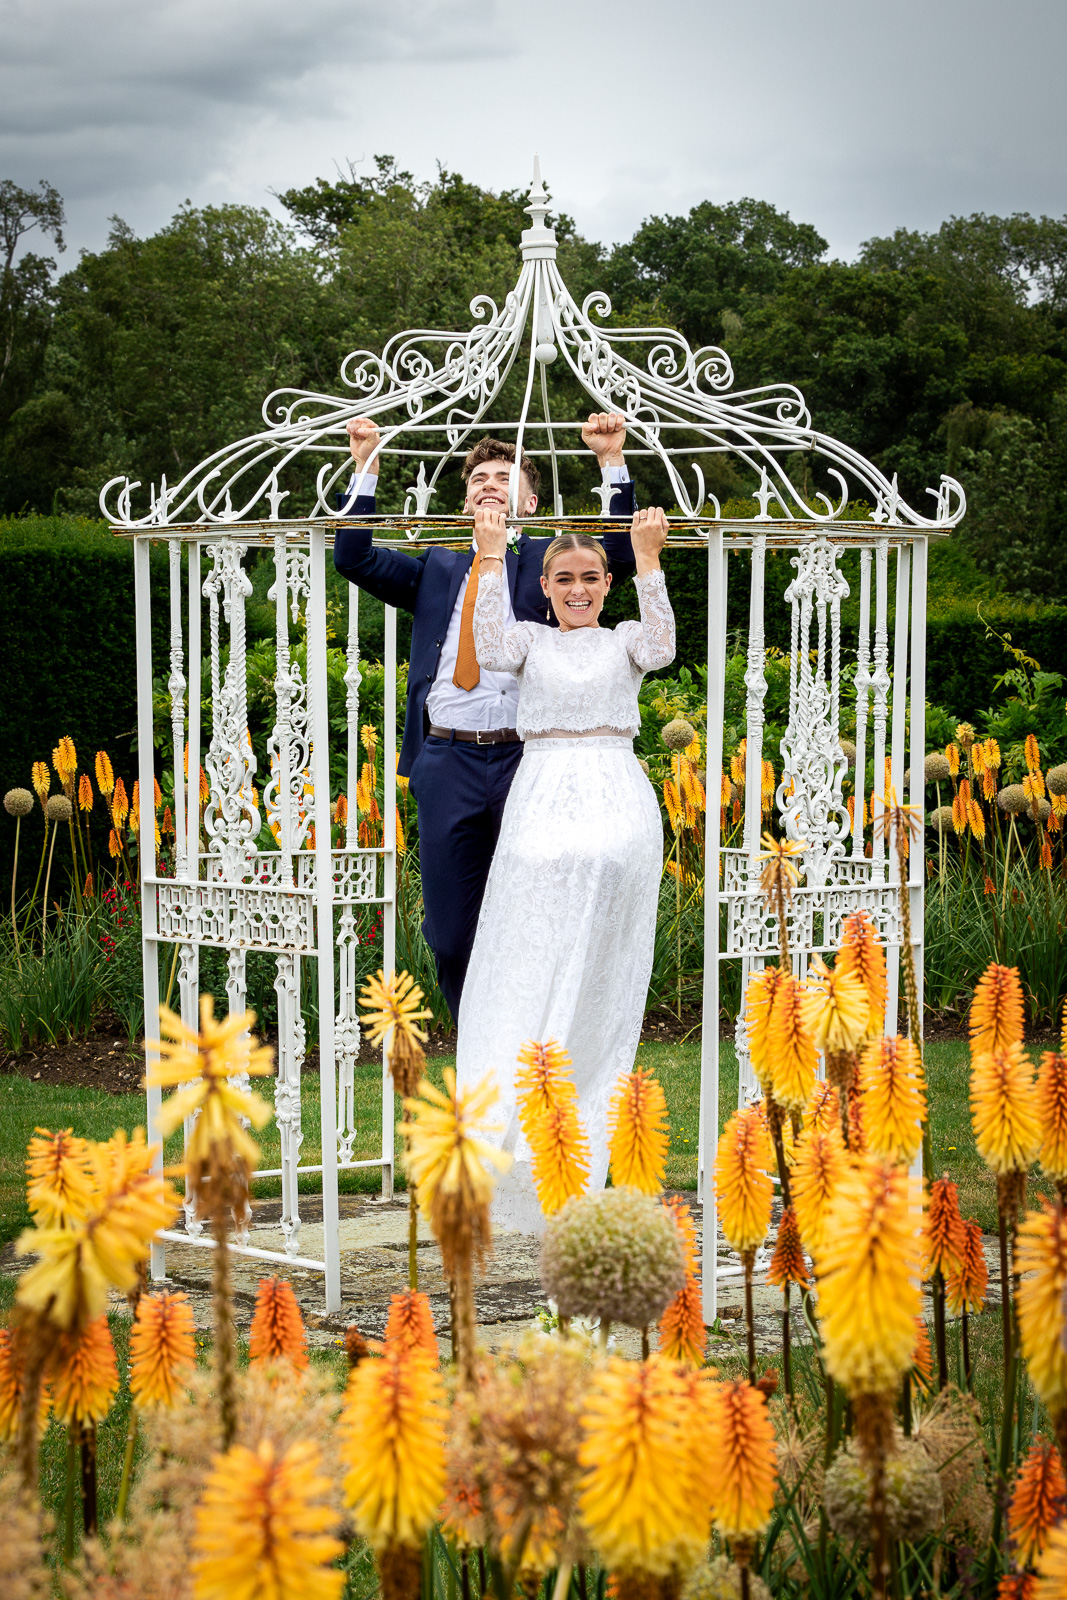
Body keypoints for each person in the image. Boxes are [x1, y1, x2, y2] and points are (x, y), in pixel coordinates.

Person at [333, 415, 637, 1020]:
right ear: (466, 498)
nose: (490, 485)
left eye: (505, 477)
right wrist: (365, 462)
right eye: (479, 479)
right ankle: (478, 1035)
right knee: (449, 932)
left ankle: (533, 1037)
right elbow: (354, 556)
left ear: (528, 500)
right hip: (446, 759)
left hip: (528, 761)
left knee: (534, 912)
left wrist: (610, 461)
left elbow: (622, 553)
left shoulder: (549, 569)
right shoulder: (436, 568)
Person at [456, 506, 675, 1232]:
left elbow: (665, 645)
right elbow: (485, 647)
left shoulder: (624, 642)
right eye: (563, 579)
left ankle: (585, 1125)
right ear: (544, 585)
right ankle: (514, 1129)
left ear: (605, 583)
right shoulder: (527, 640)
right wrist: (489, 555)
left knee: (600, 965)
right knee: (530, 952)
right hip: (543, 795)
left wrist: (648, 560)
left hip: (615, 796)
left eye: (589, 578)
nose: (576, 589)